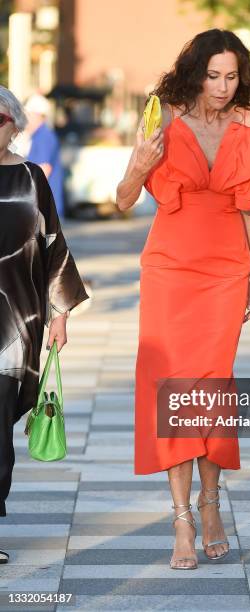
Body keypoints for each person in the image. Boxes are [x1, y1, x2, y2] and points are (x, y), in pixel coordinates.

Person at [116, 29, 250, 570]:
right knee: (173, 390)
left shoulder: (249, 127)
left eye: (232, 76)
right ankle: (182, 517)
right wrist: (139, 165)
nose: (223, 87)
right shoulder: (161, 116)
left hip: (226, 271)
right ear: (195, 72)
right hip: (169, 271)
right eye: (213, 76)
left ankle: (211, 505)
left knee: (212, 389)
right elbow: (122, 200)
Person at [0, 86, 89, 565]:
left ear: (15, 124)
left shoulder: (33, 178)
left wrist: (60, 313)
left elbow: (54, 245)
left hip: (16, 322)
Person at [25, 94, 65, 218]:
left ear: (37, 115)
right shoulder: (39, 136)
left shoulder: (44, 137)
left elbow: (43, 170)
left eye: (27, 114)